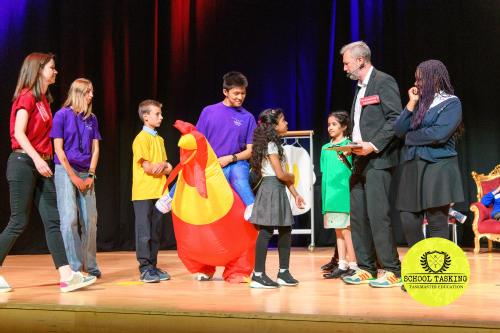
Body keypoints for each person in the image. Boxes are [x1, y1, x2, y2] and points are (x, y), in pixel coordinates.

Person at [0, 53, 96, 293]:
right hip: (23, 161)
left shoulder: (44, 100)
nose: (56, 71)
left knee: (53, 220)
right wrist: (36, 159)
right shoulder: (26, 97)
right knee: (18, 221)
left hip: (41, 164)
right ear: (38, 69)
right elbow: (19, 133)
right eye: (52, 68)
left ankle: (66, 275)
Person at [339, 41, 402, 288]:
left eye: (346, 63)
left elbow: (395, 119)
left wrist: (373, 145)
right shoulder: (359, 88)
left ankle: (391, 270)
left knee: (378, 216)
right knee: (358, 216)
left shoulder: (383, 81)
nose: (344, 68)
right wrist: (349, 146)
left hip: (378, 159)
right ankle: (366, 267)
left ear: (360, 60)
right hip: (358, 160)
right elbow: (360, 124)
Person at [394, 59, 465, 246]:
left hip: (439, 165)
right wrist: (411, 103)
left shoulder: (450, 103)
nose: (417, 83)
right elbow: (399, 130)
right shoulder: (418, 104)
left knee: (436, 220)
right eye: (416, 79)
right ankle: (420, 262)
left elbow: (439, 135)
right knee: (408, 218)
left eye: (421, 79)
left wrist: (409, 138)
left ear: (434, 78)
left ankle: (436, 269)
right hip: (412, 165)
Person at [51, 78, 102, 278]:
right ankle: (73, 267)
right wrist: (73, 177)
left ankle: (90, 265)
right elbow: (58, 148)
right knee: (69, 217)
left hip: (86, 171)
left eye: (92, 91)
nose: (91, 95)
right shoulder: (61, 115)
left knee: (90, 219)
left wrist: (90, 174)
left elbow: (96, 148)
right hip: (65, 170)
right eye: (88, 92)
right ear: (78, 93)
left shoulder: (92, 119)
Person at [248, 108, 305, 289]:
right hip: (271, 188)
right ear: (273, 126)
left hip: (278, 189)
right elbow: (280, 174)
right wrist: (292, 176)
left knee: (285, 230)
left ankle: (283, 272)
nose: (286, 123)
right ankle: (258, 275)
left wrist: (295, 194)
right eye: (283, 120)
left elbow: (283, 177)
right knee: (265, 231)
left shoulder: (277, 145)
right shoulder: (270, 145)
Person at [132, 99, 173, 283]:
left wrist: (162, 165)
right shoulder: (141, 139)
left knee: (156, 232)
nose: (161, 117)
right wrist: (160, 166)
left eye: (161, 114)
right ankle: (145, 268)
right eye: (157, 114)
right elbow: (148, 168)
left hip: (159, 192)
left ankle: (153, 266)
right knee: (144, 232)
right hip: (143, 193)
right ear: (146, 116)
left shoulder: (160, 139)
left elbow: (168, 166)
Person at [320, 111, 358, 279]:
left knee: (346, 230)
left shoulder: (349, 146)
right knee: (338, 230)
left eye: (334, 124)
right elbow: (324, 171)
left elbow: (353, 170)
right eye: (329, 124)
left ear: (343, 126)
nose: (330, 128)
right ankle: (342, 263)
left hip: (343, 193)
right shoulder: (325, 148)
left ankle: (354, 264)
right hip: (330, 195)